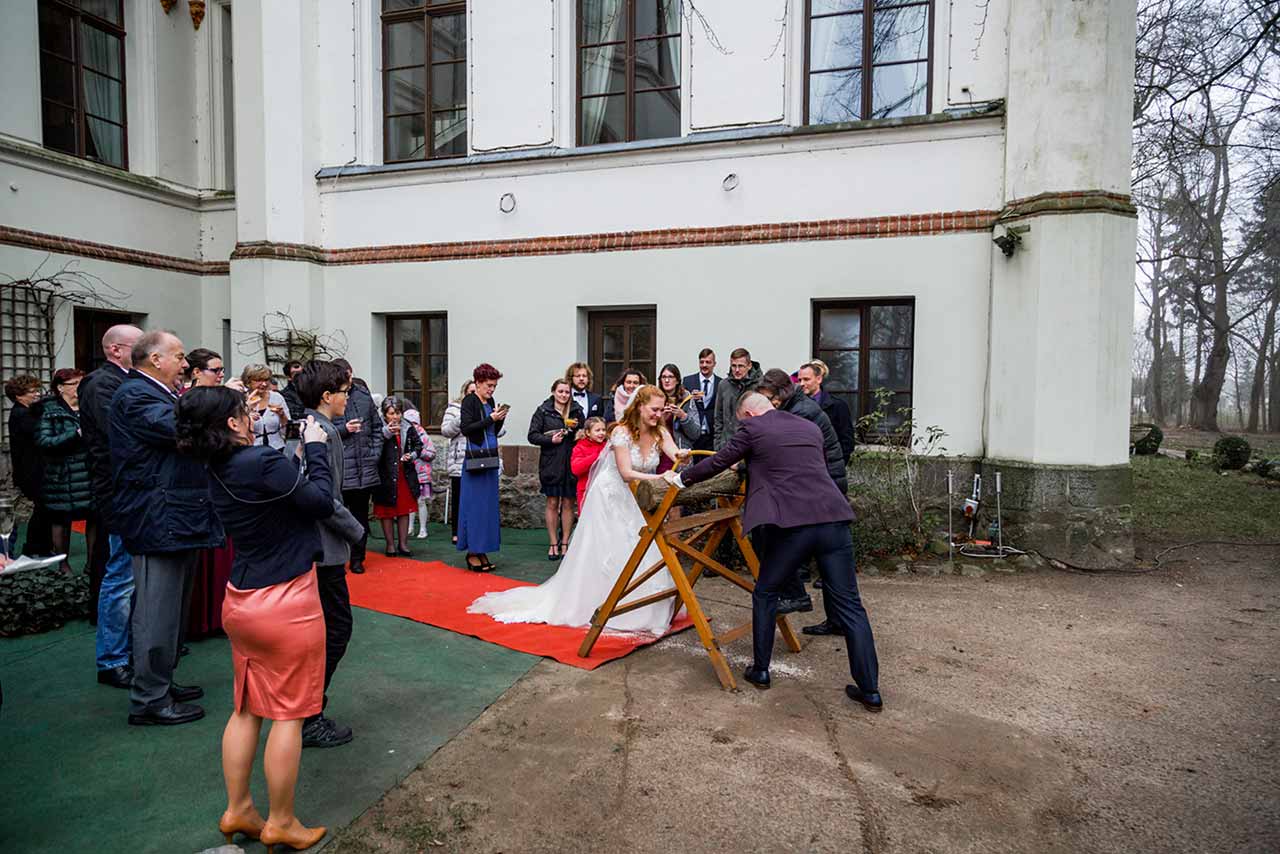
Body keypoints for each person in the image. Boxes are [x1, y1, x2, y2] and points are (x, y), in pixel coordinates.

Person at [176, 386, 332, 851]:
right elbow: (320, 501)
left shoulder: (215, 467)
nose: (251, 415)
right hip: (286, 602)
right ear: (231, 424)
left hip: (240, 599)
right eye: (244, 411)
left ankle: (238, 809)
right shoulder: (261, 463)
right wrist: (317, 450)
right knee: (291, 715)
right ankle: (281, 820)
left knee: (246, 708)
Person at [666, 392, 881, 710]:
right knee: (851, 606)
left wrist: (681, 478)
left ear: (749, 416)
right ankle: (871, 691)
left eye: (741, 422)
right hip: (834, 519)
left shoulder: (753, 429)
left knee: (766, 592)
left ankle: (761, 670)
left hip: (793, 525)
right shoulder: (809, 427)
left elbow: (720, 460)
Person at [469, 386, 686, 634]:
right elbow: (626, 473)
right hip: (610, 495)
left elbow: (674, 452)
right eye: (654, 409)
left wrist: (683, 455)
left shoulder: (659, 431)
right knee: (610, 549)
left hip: (635, 498)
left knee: (639, 546)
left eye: (661, 410)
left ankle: (643, 603)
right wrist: (661, 478)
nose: (659, 414)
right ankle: (604, 603)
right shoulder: (622, 433)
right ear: (639, 406)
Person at [110, 330, 223, 726]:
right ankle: (149, 699)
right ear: (155, 359)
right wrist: (219, 404)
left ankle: (162, 683)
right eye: (178, 356)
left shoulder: (157, 393)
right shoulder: (136, 395)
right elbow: (178, 429)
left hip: (175, 514)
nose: (185, 365)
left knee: (173, 609)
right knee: (157, 612)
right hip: (157, 515)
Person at [296, 360, 367, 750]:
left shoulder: (317, 428)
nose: (348, 399)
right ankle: (308, 715)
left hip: (321, 548)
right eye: (345, 392)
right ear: (327, 396)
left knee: (329, 631)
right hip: (323, 551)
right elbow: (324, 497)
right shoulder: (321, 432)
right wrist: (356, 532)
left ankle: (308, 710)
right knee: (333, 630)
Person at [78, 323, 143, 689]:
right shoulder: (102, 384)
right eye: (139, 345)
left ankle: (127, 651)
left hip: (129, 490)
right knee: (119, 576)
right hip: (117, 490)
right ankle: (112, 659)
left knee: (129, 576)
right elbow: (120, 433)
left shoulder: (122, 381)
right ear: (115, 350)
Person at [184, 348, 236, 642]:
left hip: (220, 481)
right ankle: (197, 621)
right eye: (215, 370)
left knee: (222, 551)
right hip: (197, 484)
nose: (220, 375)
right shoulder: (185, 402)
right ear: (195, 372)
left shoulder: (222, 400)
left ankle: (219, 616)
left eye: (221, 370)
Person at [33, 368, 91, 575]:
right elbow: (44, 441)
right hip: (62, 474)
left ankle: (91, 564)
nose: (79, 388)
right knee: (61, 520)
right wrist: (75, 434)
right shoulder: (48, 410)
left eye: (81, 383)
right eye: (73, 384)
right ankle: (63, 565)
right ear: (60, 388)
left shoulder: (90, 406)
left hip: (88, 472)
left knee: (92, 518)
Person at [333, 359, 384, 575]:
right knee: (338, 514)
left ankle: (357, 558)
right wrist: (344, 429)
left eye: (349, 374)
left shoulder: (364, 396)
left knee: (360, 515)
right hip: (342, 466)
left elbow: (377, 428)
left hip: (364, 465)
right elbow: (324, 426)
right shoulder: (329, 396)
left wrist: (374, 454)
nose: (348, 379)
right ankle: (338, 557)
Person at [528, 379, 585, 560]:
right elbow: (532, 435)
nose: (563, 395)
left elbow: (586, 432)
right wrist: (550, 440)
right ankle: (553, 543)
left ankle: (565, 542)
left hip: (571, 461)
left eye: (567, 392)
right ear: (553, 392)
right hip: (551, 462)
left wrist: (578, 430)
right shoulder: (543, 411)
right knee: (552, 503)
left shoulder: (576, 410)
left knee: (568, 503)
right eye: (560, 391)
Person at [457, 364, 506, 572]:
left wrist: (499, 420)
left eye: (494, 386)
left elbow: (492, 431)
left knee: (487, 509)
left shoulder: (491, 401)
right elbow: (466, 428)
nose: (492, 390)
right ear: (477, 383)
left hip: (490, 459)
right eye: (489, 385)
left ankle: (482, 549)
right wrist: (489, 419)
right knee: (474, 508)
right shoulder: (469, 401)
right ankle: (472, 552)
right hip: (475, 462)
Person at [5, 375, 52, 557]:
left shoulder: (25, 411)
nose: (37, 394)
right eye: (32, 392)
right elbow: (38, 429)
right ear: (18, 396)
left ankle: (39, 547)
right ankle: (34, 547)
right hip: (30, 471)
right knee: (42, 509)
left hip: (32, 469)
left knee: (43, 509)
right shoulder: (20, 414)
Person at [372, 397, 426, 558]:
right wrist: (386, 433)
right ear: (384, 414)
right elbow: (373, 446)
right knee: (386, 510)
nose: (395, 417)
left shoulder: (408, 426)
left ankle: (403, 543)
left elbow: (419, 445)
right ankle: (390, 544)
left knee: (404, 509)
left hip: (405, 473)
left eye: (398, 413)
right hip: (385, 474)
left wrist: (412, 455)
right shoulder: (378, 427)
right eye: (391, 413)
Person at [439, 380, 476, 546]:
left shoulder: (484, 406)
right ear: (464, 393)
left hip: (478, 458)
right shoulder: (454, 409)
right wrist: (462, 418)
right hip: (459, 460)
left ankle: (473, 530)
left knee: (475, 499)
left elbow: (500, 431)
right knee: (459, 498)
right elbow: (446, 431)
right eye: (471, 392)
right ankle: (457, 532)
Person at [799, 360, 855, 463]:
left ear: (819, 379)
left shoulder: (838, 406)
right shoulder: (795, 406)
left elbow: (847, 441)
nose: (802, 384)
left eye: (806, 379)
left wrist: (834, 464)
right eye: (800, 380)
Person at [714, 348, 762, 449]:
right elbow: (718, 417)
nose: (736, 370)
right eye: (733, 366)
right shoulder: (723, 385)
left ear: (749, 366)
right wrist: (718, 445)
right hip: (727, 445)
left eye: (740, 366)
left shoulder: (760, 386)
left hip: (752, 445)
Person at [656, 363, 700, 471]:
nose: (667, 380)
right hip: (658, 453)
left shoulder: (687, 400)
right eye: (664, 377)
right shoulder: (654, 398)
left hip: (679, 453)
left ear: (677, 380)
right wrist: (661, 418)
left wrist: (683, 416)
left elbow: (695, 433)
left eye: (670, 377)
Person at [403, 409, 436, 539]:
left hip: (422, 474)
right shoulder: (405, 436)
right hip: (409, 474)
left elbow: (432, 453)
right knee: (410, 501)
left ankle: (423, 528)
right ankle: (410, 527)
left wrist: (420, 452)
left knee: (421, 501)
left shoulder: (424, 437)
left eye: (414, 423)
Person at [242, 365, 289, 452]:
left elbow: (288, 430)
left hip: (276, 448)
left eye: (266, 380)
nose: (264, 384)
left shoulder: (277, 398)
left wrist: (282, 416)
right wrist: (246, 416)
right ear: (248, 382)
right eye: (259, 380)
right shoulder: (241, 399)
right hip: (251, 450)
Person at [682, 349, 720, 452]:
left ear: (714, 364)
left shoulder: (721, 383)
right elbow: (682, 405)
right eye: (702, 362)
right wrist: (690, 398)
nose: (704, 365)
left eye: (708, 362)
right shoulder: (688, 381)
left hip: (712, 435)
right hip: (693, 434)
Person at [570, 417, 609, 510]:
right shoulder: (580, 447)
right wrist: (595, 456)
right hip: (586, 490)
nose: (602, 433)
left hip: (605, 489)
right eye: (597, 430)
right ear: (588, 432)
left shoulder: (607, 447)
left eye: (603, 430)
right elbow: (576, 469)